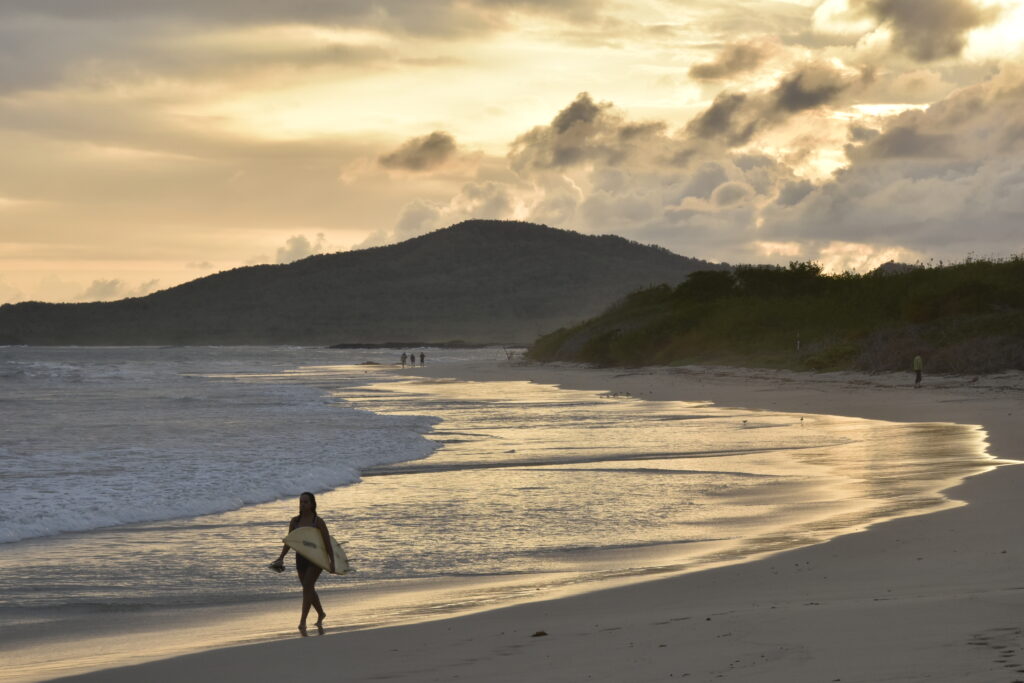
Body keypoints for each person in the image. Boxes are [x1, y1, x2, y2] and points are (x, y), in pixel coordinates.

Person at [270, 492, 334, 634]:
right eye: (301, 502)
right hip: (301, 558)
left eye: (305, 502)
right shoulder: (295, 522)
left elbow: (327, 543)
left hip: (317, 558)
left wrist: (332, 562)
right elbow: (289, 542)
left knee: (307, 587)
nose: (302, 505)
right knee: (308, 588)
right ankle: (321, 613)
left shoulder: (317, 522)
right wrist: (281, 557)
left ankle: (302, 621)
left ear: (312, 504)